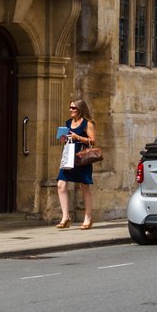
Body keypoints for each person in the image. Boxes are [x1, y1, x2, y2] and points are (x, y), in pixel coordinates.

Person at [56, 98, 97, 229]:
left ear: (80, 109)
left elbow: (93, 141)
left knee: (84, 187)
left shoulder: (87, 123)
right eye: (70, 107)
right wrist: (63, 137)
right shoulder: (67, 123)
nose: (71, 110)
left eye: (74, 108)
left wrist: (77, 137)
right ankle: (65, 217)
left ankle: (88, 217)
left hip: (81, 158)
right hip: (68, 157)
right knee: (61, 184)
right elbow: (63, 140)